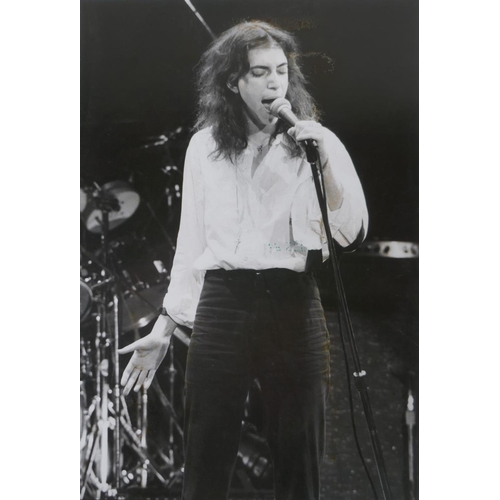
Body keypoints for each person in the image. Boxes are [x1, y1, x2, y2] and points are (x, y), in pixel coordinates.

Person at [118, 20, 368, 500]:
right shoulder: (204, 148)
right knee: (207, 458)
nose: (276, 82)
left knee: (299, 459)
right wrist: (164, 328)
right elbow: (190, 244)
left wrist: (324, 161)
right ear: (233, 81)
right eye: (260, 72)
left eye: (281, 70)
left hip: (292, 301)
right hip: (224, 301)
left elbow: (350, 230)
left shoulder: (315, 142)